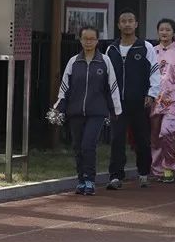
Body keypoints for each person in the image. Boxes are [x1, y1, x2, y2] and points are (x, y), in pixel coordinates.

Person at [53, 25, 123, 195]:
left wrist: (115, 110)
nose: (89, 42)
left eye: (92, 39)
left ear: (97, 41)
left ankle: (90, 180)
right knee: (77, 146)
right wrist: (59, 107)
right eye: (85, 39)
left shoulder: (105, 61)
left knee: (88, 145)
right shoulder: (73, 62)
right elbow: (64, 87)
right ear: (81, 40)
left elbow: (112, 87)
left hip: (97, 112)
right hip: (75, 112)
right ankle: (81, 180)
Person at [105, 10, 161, 189]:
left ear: (136, 24)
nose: (127, 24)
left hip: (139, 102)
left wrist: (152, 94)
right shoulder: (111, 49)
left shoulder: (145, 47)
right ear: (118, 25)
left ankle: (144, 173)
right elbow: (107, 76)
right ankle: (115, 176)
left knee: (142, 139)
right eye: (123, 21)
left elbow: (154, 71)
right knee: (117, 139)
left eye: (130, 21)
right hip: (117, 103)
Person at [151, 18, 175, 182]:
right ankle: (156, 168)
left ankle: (169, 165)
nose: (164, 33)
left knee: (167, 132)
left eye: (168, 30)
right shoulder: (152, 51)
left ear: (173, 33)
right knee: (155, 136)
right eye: (161, 30)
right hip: (155, 98)